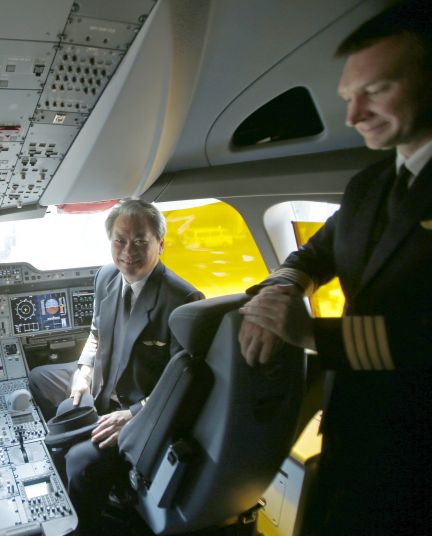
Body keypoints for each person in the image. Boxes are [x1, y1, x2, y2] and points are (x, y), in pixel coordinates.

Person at [238, 1, 432, 533]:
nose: (352, 116)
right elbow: (313, 254)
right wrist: (279, 291)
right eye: (349, 97)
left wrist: (310, 335)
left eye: (377, 90)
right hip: (352, 422)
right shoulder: (369, 185)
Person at [30, 199, 203, 532]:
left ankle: (86, 525)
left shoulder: (182, 301)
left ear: (161, 244)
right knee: (40, 380)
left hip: (137, 408)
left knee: (80, 462)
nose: (128, 251)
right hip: (100, 383)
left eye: (140, 241)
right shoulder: (106, 276)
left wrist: (134, 414)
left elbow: (181, 385)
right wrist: (84, 369)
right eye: (120, 240)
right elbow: (96, 332)